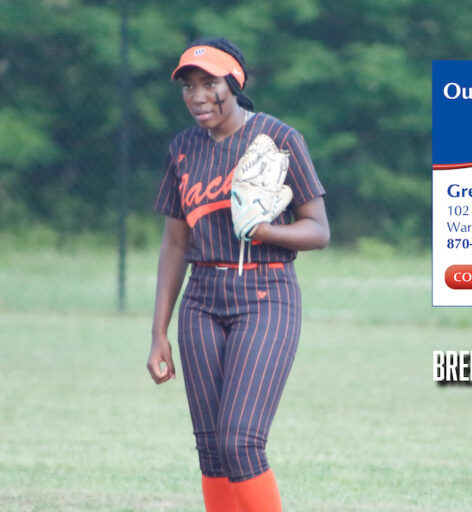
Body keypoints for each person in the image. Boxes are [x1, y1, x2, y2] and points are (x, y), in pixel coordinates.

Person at [147, 37, 330, 512]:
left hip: (266, 294)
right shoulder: (183, 149)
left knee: (240, 442)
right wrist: (158, 333)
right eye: (188, 86)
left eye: (209, 83)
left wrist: (265, 229)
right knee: (211, 449)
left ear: (234, 83)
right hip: (201, 299)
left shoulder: (278, 139)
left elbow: (319, 230)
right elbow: (174, 243)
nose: (197, 95)